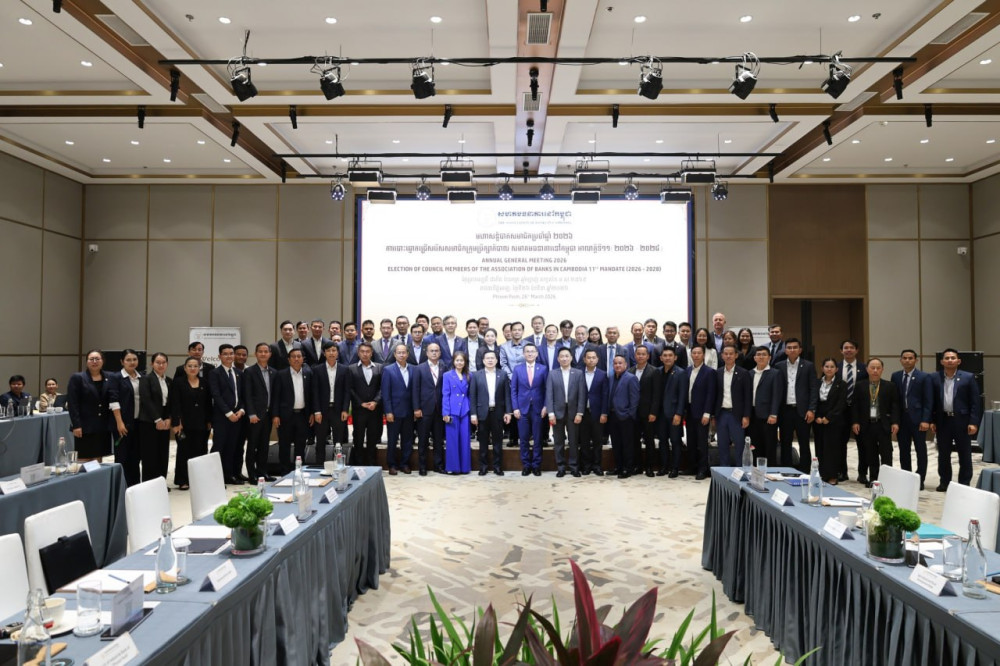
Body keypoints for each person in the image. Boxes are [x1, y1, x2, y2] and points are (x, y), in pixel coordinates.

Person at [930, 348, 982, 490]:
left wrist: (973, 422)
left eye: (953, 358)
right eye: (947, 358)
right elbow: (932, 401)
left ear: (958, 361)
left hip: (962, 421)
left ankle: (964, 483)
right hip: (943, 421)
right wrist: (932, 420)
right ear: (942, 361)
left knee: (964, 454)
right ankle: (944, 482)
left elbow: (975, 402)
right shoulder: (934, 377)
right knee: (943, 454)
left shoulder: (968, 377)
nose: (950, 360)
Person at [851, 358, 900, 486]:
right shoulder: (860, 385)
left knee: (886, 453)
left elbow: (895, 406)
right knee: (870, 453)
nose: (875, 370)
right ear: (867, 369)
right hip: (867, 424)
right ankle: (873, 478)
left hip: (883, 424)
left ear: (882, 370)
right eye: (872, 368)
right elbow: (855, 405)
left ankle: (887, 479)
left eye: (878, 368)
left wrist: (895, 422)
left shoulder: (890, 386)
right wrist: (855, 422)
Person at [67, 349, 121, 462]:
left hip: (103, 426)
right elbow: (73, 403)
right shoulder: (77, 378)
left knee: (98, 460)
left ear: (103, 361)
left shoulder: (110, 376)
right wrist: (76, 425)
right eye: (91, 359)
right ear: (87, 362)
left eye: (97, 359)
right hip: (84, 426)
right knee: (84, 459)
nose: (94, 361)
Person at [891, 349, 934, 490]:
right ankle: (907, 477)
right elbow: (895, 400)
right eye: (904, 358)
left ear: (916, 360)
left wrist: (926, 419)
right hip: (902, 420)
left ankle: (920, 479)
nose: (907, 360)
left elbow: (928, 400)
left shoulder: (924, 377)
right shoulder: (896, 376)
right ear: (900, 360)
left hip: (918, 420)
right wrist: (895, 420)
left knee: (920, 450)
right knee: (904, 450)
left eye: (910, 358)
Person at [774, 338, 818, 472]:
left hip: (803, 411)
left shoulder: (808, 366)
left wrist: (812, 409)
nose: (792, 350)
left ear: (800, 350)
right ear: (785, 350)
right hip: (785, 410)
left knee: (804, 443)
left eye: (795, 347)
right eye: (789, 347)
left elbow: (813, 388)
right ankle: (787, 470)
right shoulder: (779, 366)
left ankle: (805, 471)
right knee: (785, 442)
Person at [171, 356, 213, 490]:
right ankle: (183, 480)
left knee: (201, 450)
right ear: (185, 368)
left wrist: (209, 421)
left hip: (201, 423)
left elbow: (208, 403)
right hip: (184, 424)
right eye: (190, 366)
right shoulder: (178, 382)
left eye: (195, 366)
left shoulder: (204, 382)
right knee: (184, 452)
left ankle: (198, 479)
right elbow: (175, 403)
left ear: (199, 368)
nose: (193, 368)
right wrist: (176, 422)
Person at [272, 348, 314, 473]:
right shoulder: (281, 374)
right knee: (284, 445)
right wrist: (275, 415)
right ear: (289, 360)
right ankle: (285, 471)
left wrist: (312, 412)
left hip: (302, 415)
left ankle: (299, 470)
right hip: (285, 416)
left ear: (303, 359)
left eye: (299, 356)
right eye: (293, 357)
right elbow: (276, 396)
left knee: (300, 445)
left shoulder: (308, 373)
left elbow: (311, 396)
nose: (296, 359)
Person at [545, 347, 586, 477]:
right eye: (561, 356)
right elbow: (549, 395)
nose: (564, 358)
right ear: (558, 359)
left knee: (573, 441)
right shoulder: (552, 374)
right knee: (558, 442)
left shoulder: (578, 373)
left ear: (571, 358)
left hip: (574, 412)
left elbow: (582, 395)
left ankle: (574, 467)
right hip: (557, 413)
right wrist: (550, 413)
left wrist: (580, 413)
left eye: (567, 356)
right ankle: (561, 467)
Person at [470, 349, 511, 475]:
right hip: (482, 413)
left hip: (498, 412)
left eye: (492, 358)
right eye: (487, 358)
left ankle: (497, 467)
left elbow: (507, 394)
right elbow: (473, 396)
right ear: (483, 361)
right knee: (483, 442)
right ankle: (483, 467)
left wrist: (508, 412)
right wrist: (473, 414)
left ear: (496, 360)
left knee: (498, 442)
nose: (490, 360)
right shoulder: (476, 375)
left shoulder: (502, 374)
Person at [209, 344, 246, 484]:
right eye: (225, 354)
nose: (229, 356)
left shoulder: (238, 373)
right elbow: (216, 395)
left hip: (237, 416)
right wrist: (229, 413)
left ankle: (228, 475)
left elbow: (242, 395)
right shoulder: (215, 373)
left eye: (231, 353)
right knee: (219, 447)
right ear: (219, 356)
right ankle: (214, 477)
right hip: (222, 417)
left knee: (232, 446)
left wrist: (241, 410)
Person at [510, 342, 547, 476]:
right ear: (523, 354)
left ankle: (536, 465)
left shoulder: (543, 369)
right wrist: (515, 408)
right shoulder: (517, 369)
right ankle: (526, 465)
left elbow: (547, 389)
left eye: (532, 351)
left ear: (536, 354)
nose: (530, 353)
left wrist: (546, 406)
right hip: (522, 409)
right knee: (524, 439)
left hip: (538, 409)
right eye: (527, 351)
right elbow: (514, 390)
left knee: (537, 439)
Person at [714, 345, 752, 467]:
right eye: (726, 354)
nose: (728, 356)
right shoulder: (717, 373)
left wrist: (746, 415)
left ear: (736, 355)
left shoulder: (743, 373)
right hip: (721, 413)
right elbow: (714, 395)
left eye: (731, 353)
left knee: (739, 445)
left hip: (737, 415)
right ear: (722, 356)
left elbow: (748, 396)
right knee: (722, 445)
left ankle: (741, 470)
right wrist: (713, 415)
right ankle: (724, 470)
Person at [311, 341, 348, 466]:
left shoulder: (344, 369)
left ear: (338, 353)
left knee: (338, 442)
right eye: (328, 351)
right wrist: (317, 411)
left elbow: (346, 392)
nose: (331, 353)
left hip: (338, 410)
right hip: (322, 411)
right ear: (324, 353)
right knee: (320, 441)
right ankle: (319, 466)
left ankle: (337, 466)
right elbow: (314, 392)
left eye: (334, 350)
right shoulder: (317, 370)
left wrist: (345, 409)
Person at [243, 342, 276, 481]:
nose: (263, 354)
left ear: (270, 354)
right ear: (255, 354)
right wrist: (251, 413)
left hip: (268, 415)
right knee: (252, 446)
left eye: (266, 351)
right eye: (260, 351)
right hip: (255, 416)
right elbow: (247, 394)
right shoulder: (249, 371)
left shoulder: (273, 372)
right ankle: (252, 474)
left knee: (264, 446)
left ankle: (263, 472)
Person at [138, 352, 172, 483]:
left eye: (163, 362)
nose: (161, 365)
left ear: (167, 364)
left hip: (165, 420)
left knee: (163, 453)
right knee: (150, 455)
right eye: (158, 362)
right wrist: (157, 419)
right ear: (152, 364)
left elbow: (170, 402)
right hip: (149, 421)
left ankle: (161, 482)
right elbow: (146, 400)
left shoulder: (169, 381)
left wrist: (168, 418)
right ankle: (149, 484)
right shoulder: (146, 379)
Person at [412, 342, 446, 475]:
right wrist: (416, 408)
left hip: (439, 410)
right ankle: (422, 466)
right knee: (423, 440)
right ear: (426, 353)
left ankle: (438, 465)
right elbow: (415, 389)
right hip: (424, 410)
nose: (434, 353)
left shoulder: (444, 367)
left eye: (436, 350)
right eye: (431, 350)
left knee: (438, 440)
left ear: (440, 353)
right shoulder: (419, 368)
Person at [837, 339, 868, 482]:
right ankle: (842, 472)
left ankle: (862, 473)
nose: (848, 350)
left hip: (860, 411)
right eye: (845, 348)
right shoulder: (836, 367)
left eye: (851, 347)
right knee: (840, 443)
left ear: (857, 350)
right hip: (841, 410)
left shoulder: (864, 368)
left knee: (862, 443)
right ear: (841, 351)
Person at [348, 342, 383, 467]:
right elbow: (350, 389)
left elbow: (382, 387)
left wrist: (375, 401)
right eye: (362, 351)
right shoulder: (351, 368)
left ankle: (371, 464)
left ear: (371, 353)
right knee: (358, 438)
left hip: (375, 410)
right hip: (359, 410)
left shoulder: (379, 367)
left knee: (372, 439)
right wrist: (361, 403)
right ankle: (358, 464)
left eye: (367, 351)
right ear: (358, 353)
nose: (365, 354)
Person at [382, 343, 415, 475]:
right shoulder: (388, 370)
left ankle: (405, 464)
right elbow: (385, 393)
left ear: (408, 354)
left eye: (404, 352)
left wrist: (416, 409)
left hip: (409, 411)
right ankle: (392, 465)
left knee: (407, 440)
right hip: (394, 412)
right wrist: (388, 411)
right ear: (395, 355)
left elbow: (415, 391)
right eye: (399, 352)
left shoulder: (414, 369)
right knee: (392, 440)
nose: (401, 355)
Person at [111, 350, 143, 485]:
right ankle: (121, 486)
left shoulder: (142, 377)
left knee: (136, 456)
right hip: (123, 423)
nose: (132, 362)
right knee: (122, 456)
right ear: (122, 362)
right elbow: (113, 401)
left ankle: (134, 485)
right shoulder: (116, 377)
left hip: (139, 422)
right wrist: (119, 422)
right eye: (128, 360)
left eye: (134, 359)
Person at [814, 357, 847, 484]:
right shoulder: (817, 383)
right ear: (822, 368)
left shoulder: (841, 384)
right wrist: (817, 416)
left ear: (836, 369)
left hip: (834, 420)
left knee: (832, 448)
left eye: (832, 367)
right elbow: (814, 400)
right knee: (820, 447)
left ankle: (833, 475)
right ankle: (821, 474)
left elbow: (841, 404)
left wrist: (829, 418)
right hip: (818, 420)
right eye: (826, 366)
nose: (829, 369)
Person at [686, 345, 717, 480]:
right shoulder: (687, 370)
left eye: (699, 353)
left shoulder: (709, 372)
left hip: (702, 412)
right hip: (689, 410)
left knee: (702, 442)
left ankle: (703, 469)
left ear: (703, 355)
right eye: (694, 353)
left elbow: (711, 394)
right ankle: (692, 467)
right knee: (691, 441)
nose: (696, 355)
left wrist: (707, 413)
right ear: (691, 355)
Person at [607, 354, 640, 479]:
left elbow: (635, 399)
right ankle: (618, 467)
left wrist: (629, 415)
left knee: (627, 444)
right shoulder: (611, 377)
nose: (617, 365)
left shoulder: (631, 378)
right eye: (615, 363)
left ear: (626, 365)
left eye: (620, 363)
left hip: (626, 417)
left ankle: (628, 468)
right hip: (613, 416)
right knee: (616, 443)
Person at [630, 345, 661, 476]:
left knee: (649, 441)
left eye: (643, 354)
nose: (641, 356)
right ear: (635, 355)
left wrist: (653, 412)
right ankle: (637, 466)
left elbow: (657, 394)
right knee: (634, 441)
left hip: (648, 413)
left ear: (648, 356)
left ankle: (649, 467)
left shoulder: (654, 371)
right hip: (633, 413)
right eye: (638, 354)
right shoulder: (630, 370)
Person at [748, 346, 781, 464]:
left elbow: (777, 395)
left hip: (768, 416)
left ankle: (771, 471)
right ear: (754, 358)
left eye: (764, 354)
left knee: (769, 447)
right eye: (758, 355)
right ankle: (757, 471)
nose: (761, 357)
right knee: (755, 446)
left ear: (769, 358)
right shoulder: (750, 373)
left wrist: (773, 414)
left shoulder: (775, 373)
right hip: (752, 415)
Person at [658, 347, 687, 477]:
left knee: (675, 441)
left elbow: (682, 395)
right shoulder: (657, 371)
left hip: (674, 413)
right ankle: (664, 467)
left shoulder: (681, 373)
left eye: (670, 355)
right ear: (661, 358)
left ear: (675, 357)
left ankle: (675, 468)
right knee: (662, 441)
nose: (667, 358)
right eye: (665, 355)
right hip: (660, 414)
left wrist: (679, 414)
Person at [442, 351, 472, 474]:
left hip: (465, 410)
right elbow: (445, 395)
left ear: (465, 362)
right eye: (457, 360)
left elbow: (470, 394)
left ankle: (465, 467)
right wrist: (445, 412)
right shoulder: (447, 375)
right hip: (452, 410)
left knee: (465, 439)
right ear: (453, 362)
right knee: (452, 440)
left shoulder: (469, 375)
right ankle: (453, 467)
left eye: (462, 360)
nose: (459, 363)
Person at [579, 349, 608, 475]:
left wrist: (604, 413)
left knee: (597, 441)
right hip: (583, 413)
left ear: (597, 359)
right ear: (584, 359)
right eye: (588, 357)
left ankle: (597, 465)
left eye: (593, 358)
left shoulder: (603, 374)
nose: (591, 360)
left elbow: (605, 395)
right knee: (584, 441)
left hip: (597, 413)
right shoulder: (579, 373)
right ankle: (586, 466)